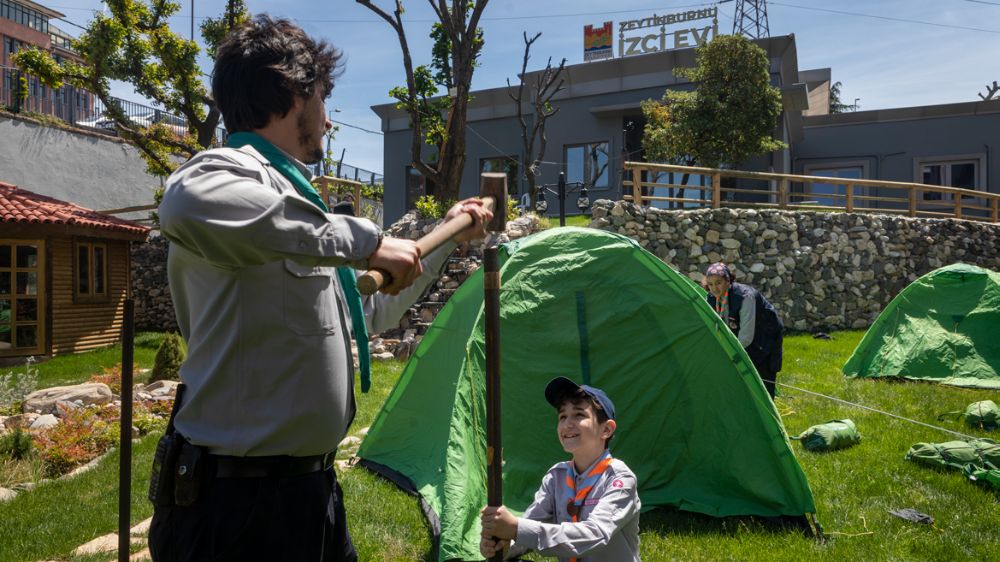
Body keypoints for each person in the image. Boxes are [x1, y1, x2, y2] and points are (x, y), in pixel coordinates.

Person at [149, 15, 492, 562]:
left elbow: (370, 309)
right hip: (234, 505)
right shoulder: (226, 171)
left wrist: (446, 237)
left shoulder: (298, 209)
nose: (329, 122)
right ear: (292, 92)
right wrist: (366, 238)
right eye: (324, 102)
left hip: (309, 493)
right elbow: (184, 204)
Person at [480, 377, 641, 562]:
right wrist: (503, 545)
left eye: (579, 415)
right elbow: (532, 525)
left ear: (606, 429)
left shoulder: (619, 478)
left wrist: (516, 528)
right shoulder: (556, 477)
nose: (567, 424)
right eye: (562, 416)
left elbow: (595, 534)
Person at [704, 262, 784, 399]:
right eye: (710, 284)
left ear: (728, 281)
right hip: (743, 338)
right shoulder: (711, 298)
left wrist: (730, 354)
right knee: (740, 379)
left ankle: (767, 416)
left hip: (765, 337)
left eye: (718, 283)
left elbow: (746, 337)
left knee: (763, 380)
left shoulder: (745, 297)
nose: (714, 289)